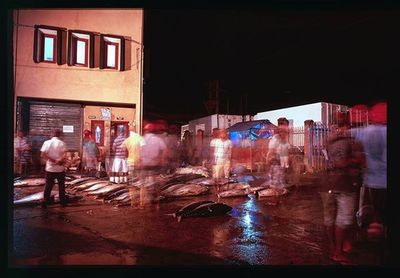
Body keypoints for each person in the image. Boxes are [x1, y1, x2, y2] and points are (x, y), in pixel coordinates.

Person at [320, 111, 365, 264]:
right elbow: (357, 161)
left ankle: (335, 247)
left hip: (327, 183)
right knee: (343, 219)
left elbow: (327, 159)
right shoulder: (352, 141)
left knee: (330, 218)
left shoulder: (327, 140)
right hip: (344, 184)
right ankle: (338, 251)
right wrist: (355, 161)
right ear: (348, 125)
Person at [353, 102, 387, 238]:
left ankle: (378, 229)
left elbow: (358, 155)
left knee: (378, 210)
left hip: (372, 181)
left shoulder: (364, 133)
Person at [137, 122, 167, 207]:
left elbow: (139, 152)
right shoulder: (158, 139)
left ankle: (143, 202)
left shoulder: (142, 139)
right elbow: (165, 150)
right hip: (155, 164)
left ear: (145, 131)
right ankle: (156, 201)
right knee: (155, 182)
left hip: (144, 164)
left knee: (143, 184)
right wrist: (161, 159)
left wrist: (139, 162)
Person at [40, 129, 67, 207]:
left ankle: (45, 202)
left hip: (50, 168)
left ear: (52, 134)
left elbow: (42, 155)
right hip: (60, 169)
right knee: (61, 185)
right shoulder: (62, 143)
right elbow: (64, 155)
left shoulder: (47, 143)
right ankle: (62, 202)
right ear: (59, 135)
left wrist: (52, 160)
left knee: (48, 185)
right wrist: (58, 161)